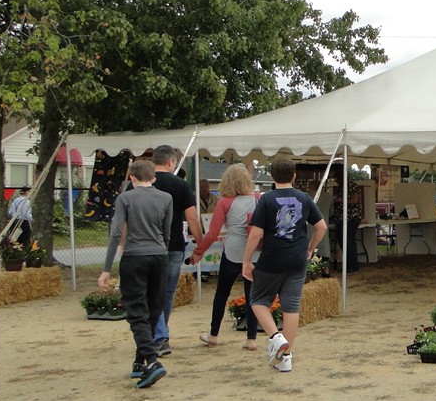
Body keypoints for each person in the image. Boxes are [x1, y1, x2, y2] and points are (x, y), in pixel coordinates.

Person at [241, 158, 328, 373]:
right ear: (295, 175)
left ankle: (276, 337)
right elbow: (321, 227)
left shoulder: (266, 199)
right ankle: (286, 357)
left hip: (272, 258)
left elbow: (256, 233)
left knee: (258, 300)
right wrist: (310, 249)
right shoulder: (304, 198)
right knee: (292, 306)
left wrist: (246, 260)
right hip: (297, 258)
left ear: (271, 176)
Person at [98, 159, 174, 389]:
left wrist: (106, 269)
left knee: (136, 310)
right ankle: (140, 360)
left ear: (131, 178)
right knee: (154, 307)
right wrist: (163, 252)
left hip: (133, 256)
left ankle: (151, 360)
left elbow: (115, 235)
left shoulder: (125, 199)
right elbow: (167, 231)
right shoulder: (166, 198)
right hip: (159, 255)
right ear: (154, 177)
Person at [124, 145, 204, 357]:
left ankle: (157, 334)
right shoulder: (180, 185)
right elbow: (193, 218)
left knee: (151, 293)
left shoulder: (135, 186)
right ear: (170, 162)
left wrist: (124, 246)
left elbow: (124, 220)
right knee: (166, 294)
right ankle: (160, 335)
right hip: (174, 245)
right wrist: (200, 244)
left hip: (142, 246)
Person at [191, 164, 262, 351]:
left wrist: (199, 252)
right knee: (252, 296)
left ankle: (214, 335)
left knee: (222, 293)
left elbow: (213, 233)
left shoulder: (224, 202)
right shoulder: (258, 199)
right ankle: (251, 339)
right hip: (254, 251)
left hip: (232, 251)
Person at [328, 178, 364, 274]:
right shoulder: (341, 188)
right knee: (343, 242)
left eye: (337, 178)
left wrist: (339, 200)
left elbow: (354, 200)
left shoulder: (352, 185)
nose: (336, 180)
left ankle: (352, 265)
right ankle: (348, 265)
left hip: (350, 218)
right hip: (341, 219)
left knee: (348, 242)